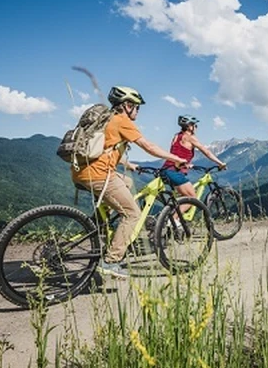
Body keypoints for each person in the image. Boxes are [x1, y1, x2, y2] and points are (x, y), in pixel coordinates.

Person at [72, 86, 190, 279]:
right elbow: (148, 146)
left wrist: (130, 164)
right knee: (132, 214)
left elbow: (105, 148)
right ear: (127, 105)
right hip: (99, 174)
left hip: (81, 171)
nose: (137, 111)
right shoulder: (122, 121)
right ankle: (112, 261)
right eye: (136, 107)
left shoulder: (106, 119)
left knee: (126, 181)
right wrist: (176, 159)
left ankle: (102, 225)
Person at [160, 115, 227, 201]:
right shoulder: (190, 138)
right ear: (189, 126)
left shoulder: (176, 136)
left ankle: (172, 212)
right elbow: (206, 152)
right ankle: (172, 215)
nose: (196, 128)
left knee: (181, 199)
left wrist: (186, 164)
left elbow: (177, 153)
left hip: (166, 169)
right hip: (174, 172)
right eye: (195, 125)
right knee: (192, 199)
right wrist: (220, 163)